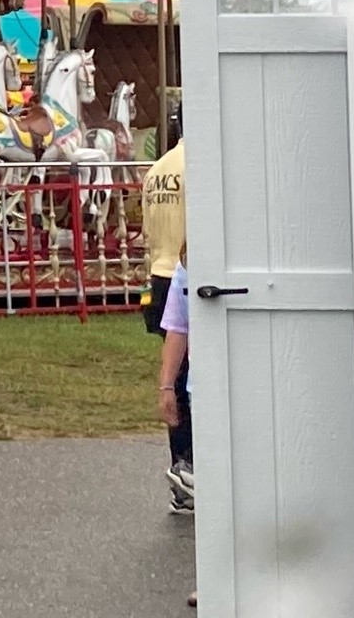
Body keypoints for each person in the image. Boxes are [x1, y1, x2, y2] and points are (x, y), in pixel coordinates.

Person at [143, 134, 191, 513]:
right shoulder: (199, 167)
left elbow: (147, 230)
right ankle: (190, 467)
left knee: (176, 376)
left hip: (160, 273)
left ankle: (180, 465)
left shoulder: (157, 169)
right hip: (186, 270)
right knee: (192, 380)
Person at [158, 254, 195, 609]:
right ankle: (214, 577)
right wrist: (167, 386)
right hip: (201, 390)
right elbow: (178, 327)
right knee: (214, 499)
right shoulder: (185, 266)